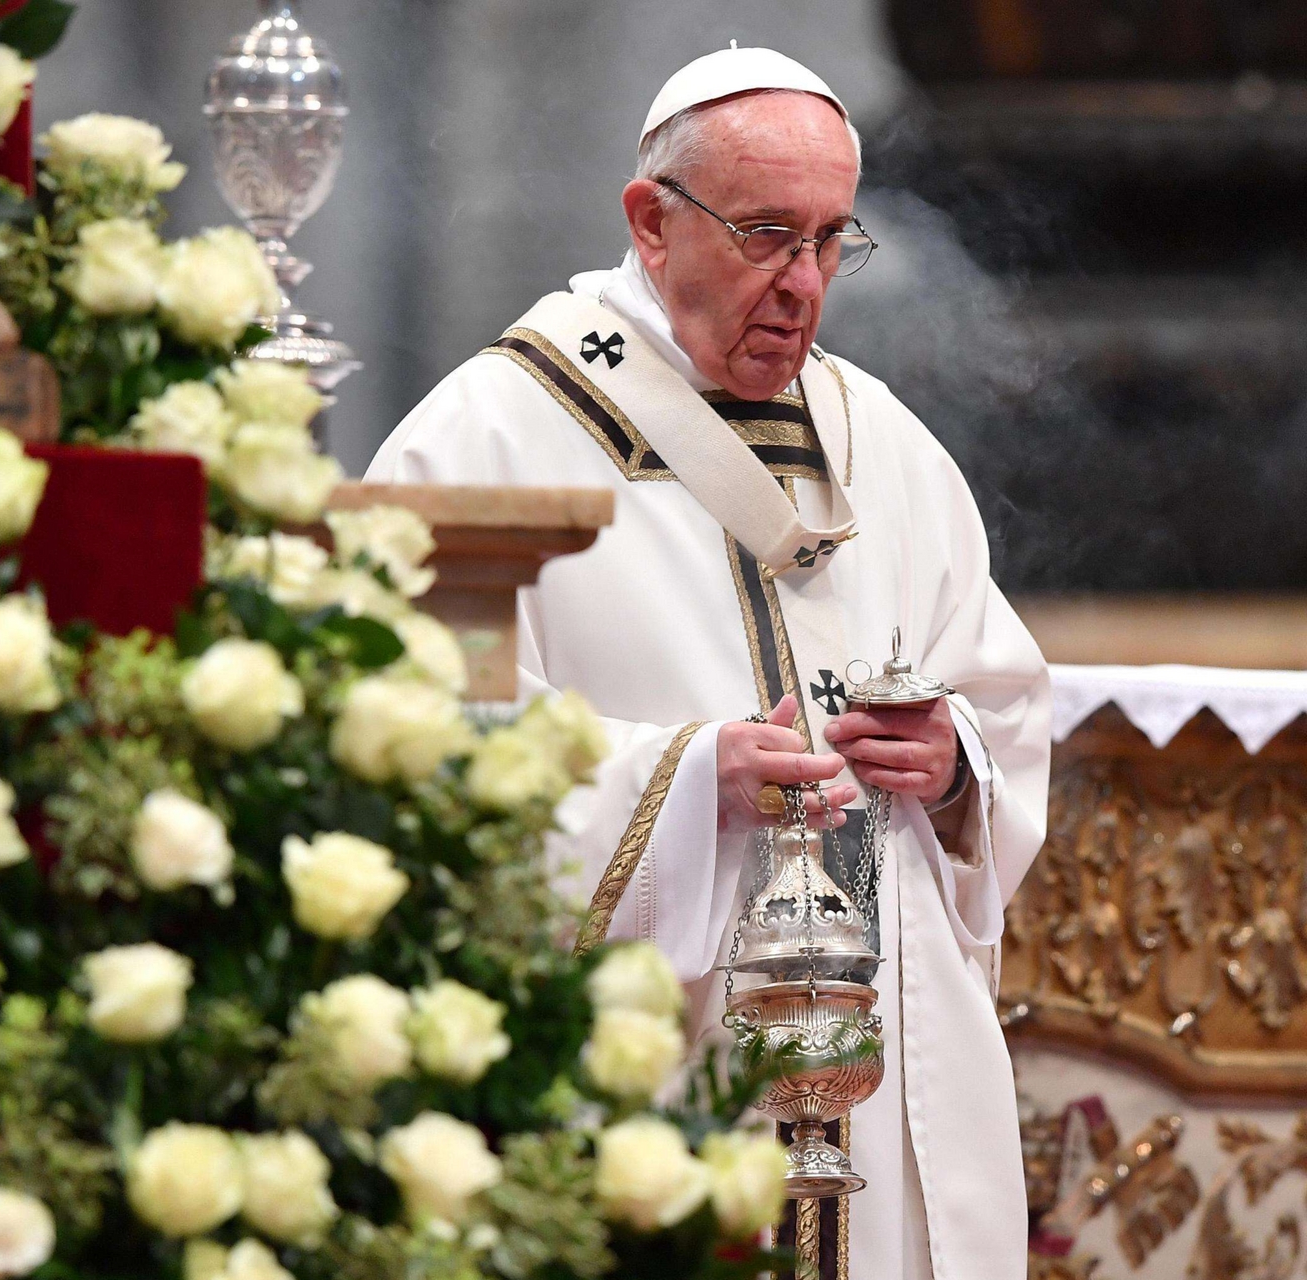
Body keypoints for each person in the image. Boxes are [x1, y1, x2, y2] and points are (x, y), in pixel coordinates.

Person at [365, 45, 1050, 1280]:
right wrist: (685, 780)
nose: (803, 285)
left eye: (834, 240)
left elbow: (1000, 698)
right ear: (650, 221)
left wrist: (950, 764)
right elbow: (402, 746)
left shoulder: (878, 438)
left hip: (887, 1083)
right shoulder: (489, 436)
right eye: (765, 235)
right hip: (649, 1085)